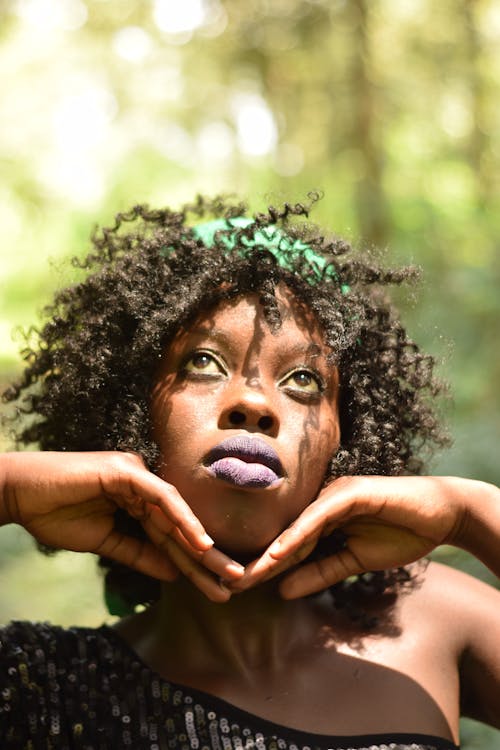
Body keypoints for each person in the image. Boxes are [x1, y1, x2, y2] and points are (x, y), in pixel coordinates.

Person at [0, 195, 499, 750]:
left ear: (347, 440)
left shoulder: (434, 623)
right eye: (204, 362)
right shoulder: (38, 684)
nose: (255, 404)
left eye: (304, 380)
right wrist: (7, 493)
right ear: (130, 415)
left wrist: (471, 514)